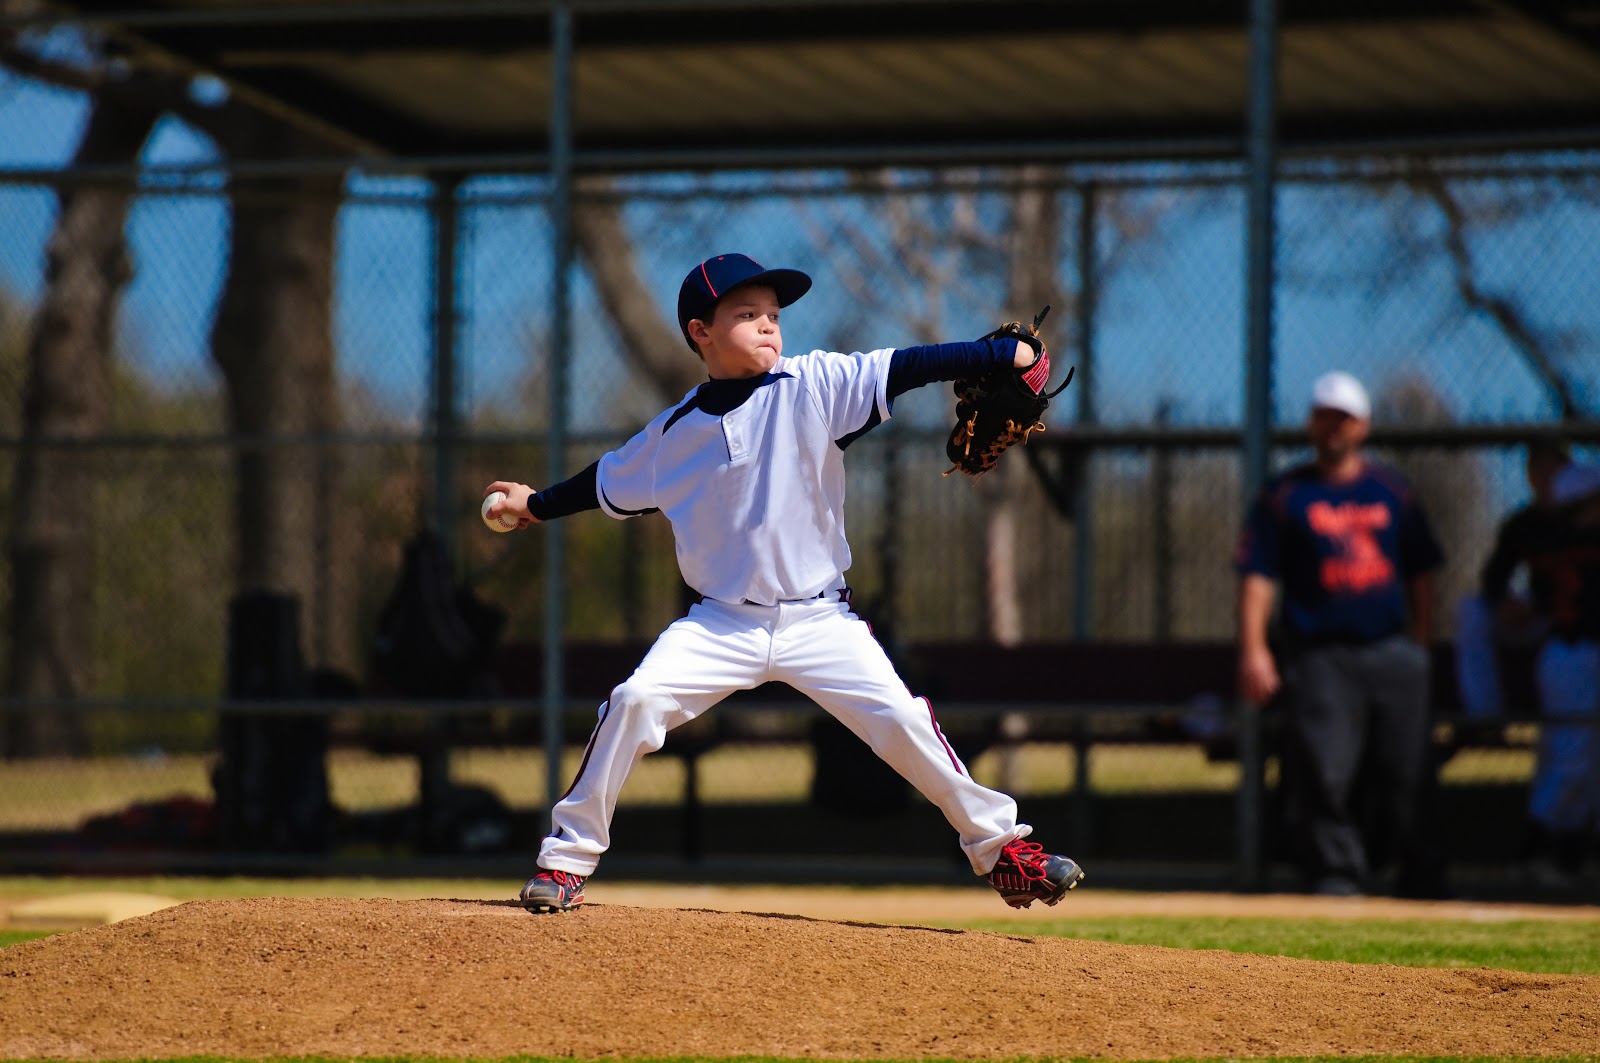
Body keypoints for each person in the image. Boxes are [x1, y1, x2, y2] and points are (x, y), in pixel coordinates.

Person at [484, 252, 1085, 913]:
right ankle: (566, 859)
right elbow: (602, 481)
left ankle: (1004, 851)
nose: (769, 325)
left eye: (774, 314)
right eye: (746, 315)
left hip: (820, 621)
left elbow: (906, 366)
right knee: (633, 701)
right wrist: (534, 504)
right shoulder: (672, 436)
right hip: (720, 624)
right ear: (699, 331)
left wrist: (987, 356)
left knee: (906, 721)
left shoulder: (814, 385)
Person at [1234, 371, 1446, 897]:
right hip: (1320, 653)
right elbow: (1258, 575)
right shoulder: (1285, 496)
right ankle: (1336, 872)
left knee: (1407, 768)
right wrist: (1255, 648)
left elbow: (1422, 572)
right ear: (1311, 423)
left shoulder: (1392, 491)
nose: (1334, 427)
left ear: (1363, 426)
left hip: (1391, 649)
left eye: (1344, 418)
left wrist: (1421, 642)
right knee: (1324, 769)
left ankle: (1420, 870)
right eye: (1325, 416)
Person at [1519, 461, 1600, 882]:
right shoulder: (1572, 542)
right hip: (1573, 652)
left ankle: (1565, 854)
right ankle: (1539, 848)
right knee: (1570, 756)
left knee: (1579, 760)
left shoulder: (1552, 538)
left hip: (1571, 654)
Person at [1453, 437, 1570, 719]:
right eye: (1539, 471)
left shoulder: (1585, 521)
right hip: (1536, 618)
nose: (1547, 478)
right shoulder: (1522, 525)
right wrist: (1502, 602)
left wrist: (1539, 606)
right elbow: (1494, 576)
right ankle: (1485, 719)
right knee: (1470, 610)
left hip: (1573, 625)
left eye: (1554, 470)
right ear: (1530, 476)